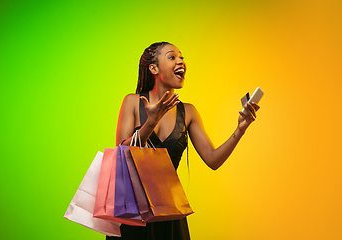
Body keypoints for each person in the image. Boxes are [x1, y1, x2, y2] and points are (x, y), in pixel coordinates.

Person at [108, 42, 259, 240]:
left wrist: (240, 129)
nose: (181, 61)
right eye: (172, 57)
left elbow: (213, 160)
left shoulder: (188, 112)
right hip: (132, 212)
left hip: (169, 213)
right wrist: (150, 123)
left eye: (182, 57)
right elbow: (122, 154)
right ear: (153, 68)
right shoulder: (132, 102)